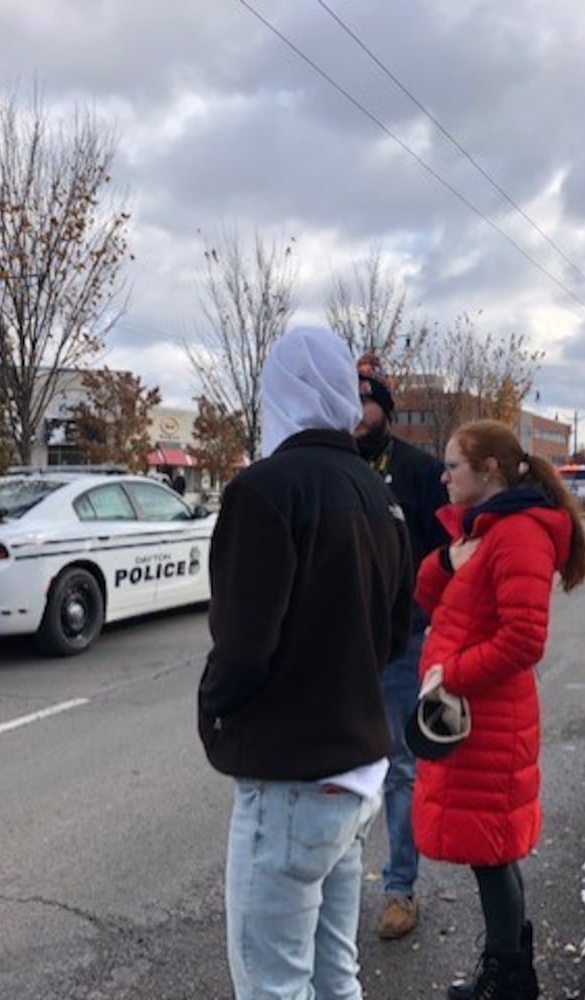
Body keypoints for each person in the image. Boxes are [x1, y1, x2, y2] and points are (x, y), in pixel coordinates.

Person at [197, 325, 414, 1000]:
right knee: (331, 974)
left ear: (280, 394)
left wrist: (216, 711)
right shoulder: (379, 494)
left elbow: (241, 643)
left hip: (288, 776)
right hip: (355, 774)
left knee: (272, 984)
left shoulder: (264, 489)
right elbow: (393, 637)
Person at [411, 420, 585, 1000]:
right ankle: (508, 972)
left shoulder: (517, 535)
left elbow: (523, 639)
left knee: (491, 851)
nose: (443, 476)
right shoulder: (486, 532)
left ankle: (508, 979)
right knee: (489, 848)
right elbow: (426, 595)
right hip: (476, 716)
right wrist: (447, 559)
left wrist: (452, 675)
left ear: (489, 469)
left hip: (486, 716)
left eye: (453, 465)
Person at [353, 352, 450, 941]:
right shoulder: (333, 462)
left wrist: (428, 612)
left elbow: (448, 553)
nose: (356, 413)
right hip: (340, 642)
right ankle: (331, 886)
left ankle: (399, 889)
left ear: (385, 409)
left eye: (366, 401)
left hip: (401, 640)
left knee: (398, 769)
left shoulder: (418, 470)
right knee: (336, 764)